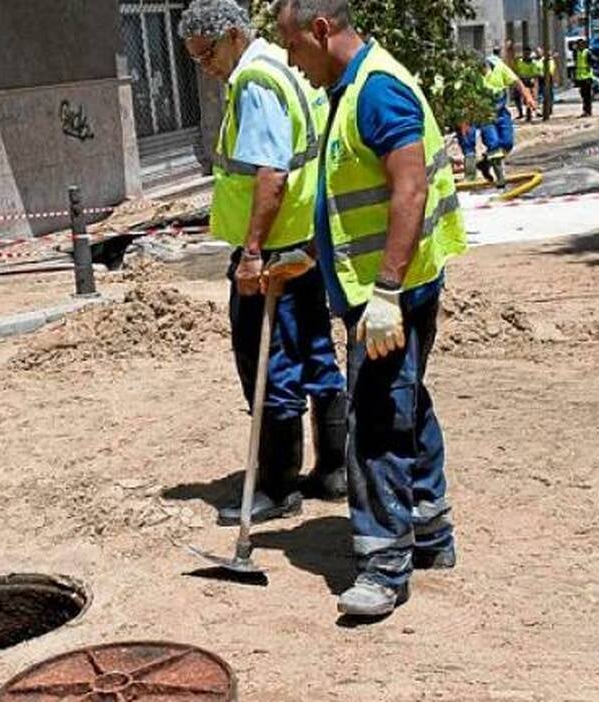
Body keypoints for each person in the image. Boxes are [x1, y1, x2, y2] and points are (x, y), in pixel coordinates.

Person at [276, 0, 467, 617]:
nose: (292, 62)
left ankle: (384, 567)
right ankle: (430, 533)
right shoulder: (350, 90)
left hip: (390, 293)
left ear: (321, 31)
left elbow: (410, 187)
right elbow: (352, 193)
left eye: (293, 46)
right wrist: (313, 252)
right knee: (406, 404)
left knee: (376, 423)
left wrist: (385, 292)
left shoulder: (377, 92)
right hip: (386, 286)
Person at [178, 0, 348, 525]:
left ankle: (277, 486)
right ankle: (334, 470)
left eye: (207, 54)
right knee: (315, 353)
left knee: (268, 365)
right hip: (304, 241)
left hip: (273, 252)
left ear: (234, 34)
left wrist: (251, 252)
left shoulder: (255, 82)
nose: (205, 67)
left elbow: (271, 173)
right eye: (195, 59)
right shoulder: (283, 62)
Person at [475, 51, 538, 187]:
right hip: (484, 116)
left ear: (487, 65)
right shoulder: (472, 76)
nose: (482, 73)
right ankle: (500, 179)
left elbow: (516, 82)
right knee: (493, 144)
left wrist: (528, 97)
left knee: (507, 143)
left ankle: (485, 163)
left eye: (483, 70)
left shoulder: (499, 66)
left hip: (501, 112)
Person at [513, 47, 540, 121]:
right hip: (520, 80)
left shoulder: (533, 63)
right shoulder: (519, 61)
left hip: (529, 81)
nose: (526, 55)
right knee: (516, 97)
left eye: (528, 53)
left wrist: (531, 78)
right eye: (525, 53)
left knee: (529, 98)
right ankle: (520, 113)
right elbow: (516, 69)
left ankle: (529, 114)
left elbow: (535, 73)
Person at [574, 38, 595, 117]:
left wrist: (589, 66)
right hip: (580, 77)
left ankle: (588, 111)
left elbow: (593, 61)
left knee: (587, 96)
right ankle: (585, 110)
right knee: (583, 95)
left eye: (579, 45)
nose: (578, 46)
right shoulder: (577, 53)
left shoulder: (587, 52)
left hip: (587, 76)